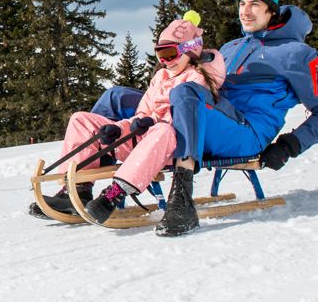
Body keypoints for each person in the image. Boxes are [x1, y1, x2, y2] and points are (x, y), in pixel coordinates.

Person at [152, 0, 318, 236]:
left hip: (247, 134)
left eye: (254, 4)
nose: (245, 11)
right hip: (207, 123)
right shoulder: (231, 47)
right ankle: (81, 186)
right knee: (119, 97)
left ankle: (182, 202)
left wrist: (289, 145)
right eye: (242, 4)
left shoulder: (297, 53)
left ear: (272, 10)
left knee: (185, 92)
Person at [32, 14, 225, 221]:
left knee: (163, 130)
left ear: (190, 50)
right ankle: (77, 191)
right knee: (81, 120)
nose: (164, 61)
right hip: (145, 138)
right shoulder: (160, 76)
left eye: (170, 53)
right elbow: (142, 113)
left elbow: (185, 119)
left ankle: (115, 193)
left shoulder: (197, 79)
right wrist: (121, 128)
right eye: (160, 53)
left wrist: (153, 123)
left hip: (173, 146)